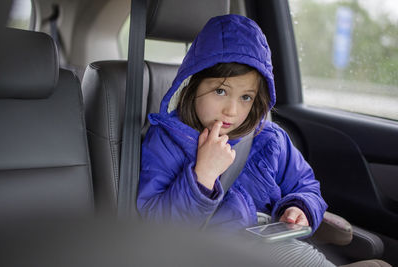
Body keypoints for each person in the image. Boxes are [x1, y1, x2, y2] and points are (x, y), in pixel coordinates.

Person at [137, 14, 333, 266]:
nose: (232, 110)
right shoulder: (166, 141)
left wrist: (301, 208)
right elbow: (156, 229)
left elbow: (306, 186)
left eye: (246, 97)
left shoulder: (270, 139)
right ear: (193, 86)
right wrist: (203, 177)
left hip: (272, 249)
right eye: (220, 91)